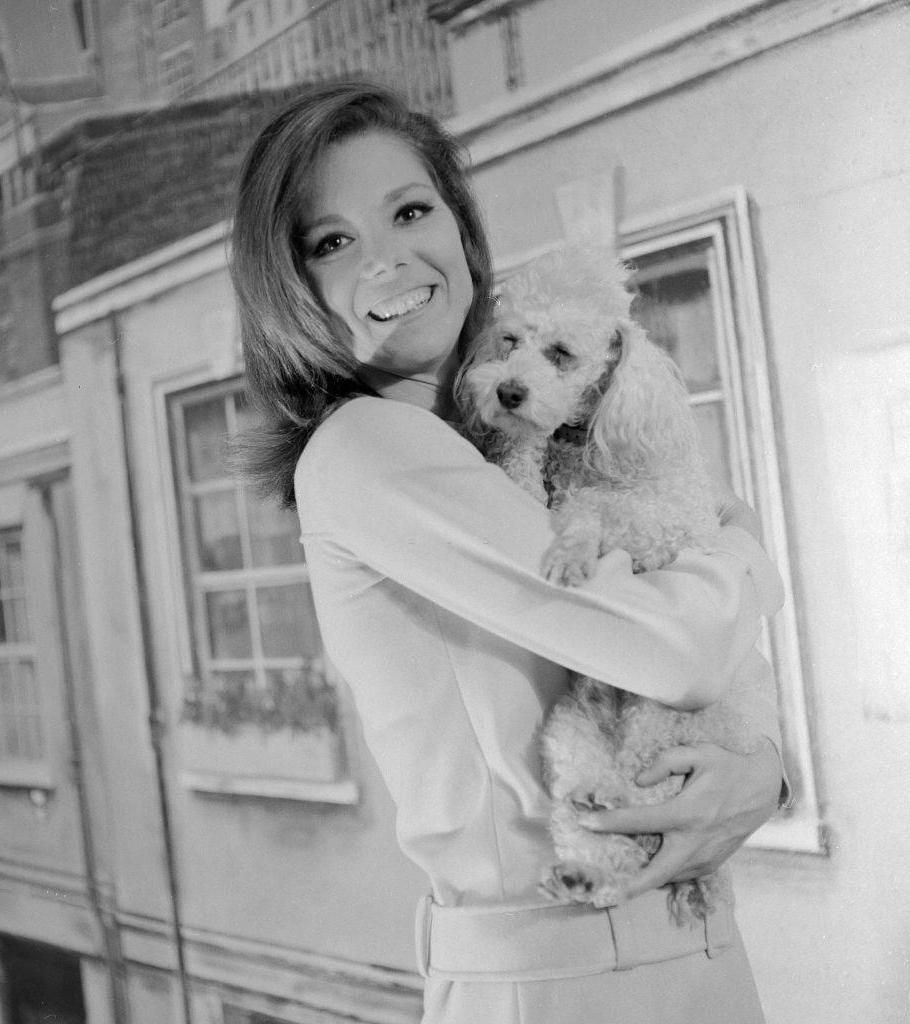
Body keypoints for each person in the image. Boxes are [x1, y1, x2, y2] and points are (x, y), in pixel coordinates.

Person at [230, 80, 786, 1024]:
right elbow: (676, 647)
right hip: (563, 967)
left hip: (675, 936)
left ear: (459, 228)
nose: (387, 259)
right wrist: (750, 552)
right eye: (332, 242)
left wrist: (762, 774)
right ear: (291, 292)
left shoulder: (508, 452)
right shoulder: (371, 446)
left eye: (410, 210)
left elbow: (688, 659)